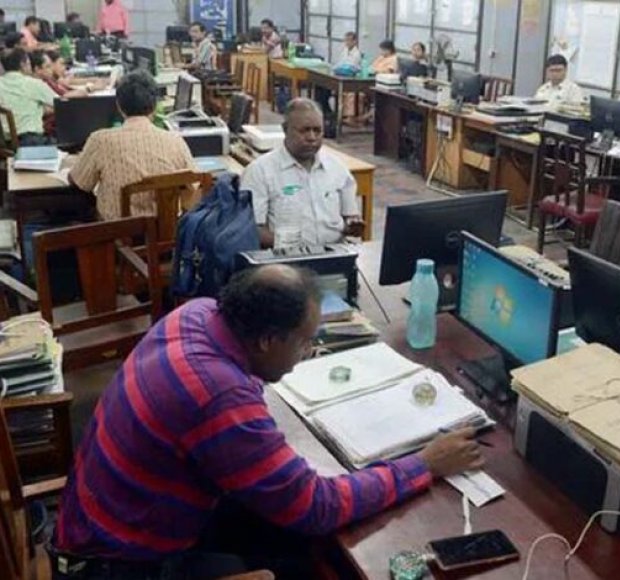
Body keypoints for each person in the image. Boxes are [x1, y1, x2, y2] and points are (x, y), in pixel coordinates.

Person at [51, 264, 483, 577]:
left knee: (295, 536)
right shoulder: (218, 396)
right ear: (266, 340)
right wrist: (424, 464)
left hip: (99, 518)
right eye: (305, 342)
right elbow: (317, 506)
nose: (309, 353)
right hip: (119, 563)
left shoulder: (198, 313)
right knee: (318, 552)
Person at [69, 70, 195, 221]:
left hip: (116, 233)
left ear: (118, 105)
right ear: (155, 105)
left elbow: (80, 183)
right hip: (166, 232)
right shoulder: (175, 141)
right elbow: (194, 185)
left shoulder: (100, 140)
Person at [241, 98, 364, 249]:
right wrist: (293, 247)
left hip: (335, 252)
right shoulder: (260, 171)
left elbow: (350, 216)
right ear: (285, 129)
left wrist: (353, 224)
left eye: (317, 131)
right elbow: (253, 229)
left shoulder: (337, 168)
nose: (312, 137)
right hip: (286, 258)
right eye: (304, 130)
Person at [0, 48, 57, 146]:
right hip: (31, 141)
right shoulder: (33, 84)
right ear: (23, 64)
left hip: (4, 141)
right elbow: (60, 103)